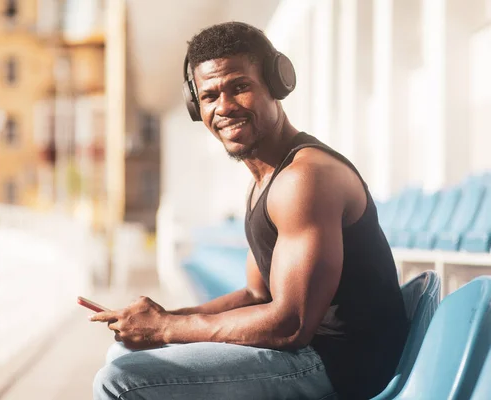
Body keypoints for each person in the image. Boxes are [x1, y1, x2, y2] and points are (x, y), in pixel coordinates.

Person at [91, 22, 409, 400]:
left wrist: (165, 329)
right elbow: (257, 295)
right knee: (123, 352)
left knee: (123, 379)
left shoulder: (303, 179)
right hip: (314, 354)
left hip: (344, 366)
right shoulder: (264, 180)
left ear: (276, 85)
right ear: (196, 107)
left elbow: (290, 324)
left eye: (239, 87)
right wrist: (165, 318)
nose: (223, 107)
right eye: (209, 96)